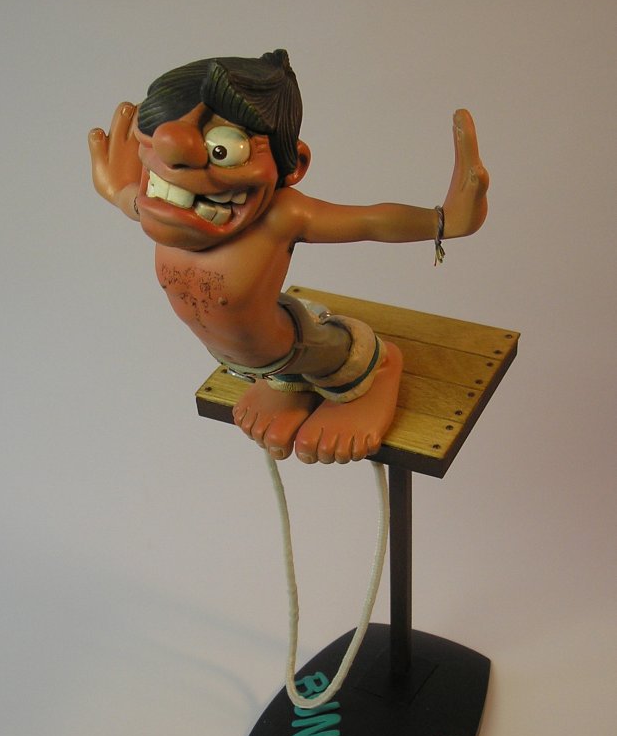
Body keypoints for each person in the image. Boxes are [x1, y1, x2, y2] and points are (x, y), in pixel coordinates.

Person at [89, 50, 488, 464]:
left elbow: (370, 221)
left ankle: (376, 367)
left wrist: (444, 220)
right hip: (254, 361)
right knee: (284, 361)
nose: (173, 153)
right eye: (157, 131)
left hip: (293, 344)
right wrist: (113, 187)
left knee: (334, 356)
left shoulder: (282, 216)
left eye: (224, 147)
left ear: (293, 165)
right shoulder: (156, 207)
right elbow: (125, 195)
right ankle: (288, 384)